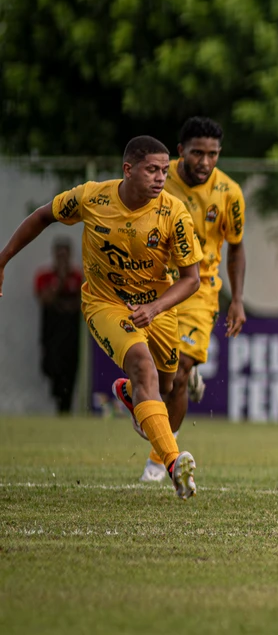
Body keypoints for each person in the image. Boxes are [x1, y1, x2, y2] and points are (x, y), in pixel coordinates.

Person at [0, 136, 203, 499]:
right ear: (128, 169)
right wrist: (3, 259)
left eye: (164, 170)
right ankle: (174, 465)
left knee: (169, 389)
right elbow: (43, 215)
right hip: (106, 304)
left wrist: (156, 308)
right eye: (152, 170)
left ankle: (129, 396)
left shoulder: (174, 212)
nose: (160, 178)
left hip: (156, 308)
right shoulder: (92, 197)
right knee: (143, 367)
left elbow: (191, 280)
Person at [112, 117, 247, 483]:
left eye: (213, 154)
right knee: (161, 381)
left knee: (181, 369)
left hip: (200, 289)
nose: (205, 162)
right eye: (198, 153)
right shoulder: (156, 176)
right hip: (155, 285)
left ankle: (159, 461)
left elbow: (236, 249)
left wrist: (237, 300)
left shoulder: (230, 194)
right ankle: (146, 393)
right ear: (181, 150)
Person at [34, 237, 83, 414]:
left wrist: (68, 305)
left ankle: (66, 408)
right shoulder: (45, 275)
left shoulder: (77, 276)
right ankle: (57, 399)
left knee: (70, 370)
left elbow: (82, 301)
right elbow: (44, 299)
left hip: (71, 333)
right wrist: (60, 281)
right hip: (51, 332)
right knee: (51, 367)